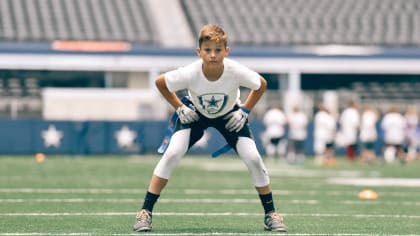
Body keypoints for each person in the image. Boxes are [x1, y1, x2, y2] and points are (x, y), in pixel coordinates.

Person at [133, 24, 287, 232]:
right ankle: (145, 212)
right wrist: (179, 107)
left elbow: (261, 84)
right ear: (199, 52)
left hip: (230, 114)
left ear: (227, 51)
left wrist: (245, 111)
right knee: (172, 154)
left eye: (218, 50)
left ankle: (271, 214)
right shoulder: (190, 72)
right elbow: (160, 82)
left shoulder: (234, 70)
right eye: (207, 50)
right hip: (195, 113)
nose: (213, 55)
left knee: (253, 157)